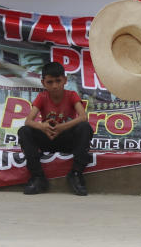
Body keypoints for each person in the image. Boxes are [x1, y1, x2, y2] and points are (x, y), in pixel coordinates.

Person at [17, 62, 94, 195]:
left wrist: (61, 128)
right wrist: (43, 127)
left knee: (85, 128)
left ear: (64, 80)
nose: (55, 86)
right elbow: (28, 121)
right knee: (24, 131)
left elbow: (83, 117)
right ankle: (37, 177)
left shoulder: (71, 95)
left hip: (67, 141)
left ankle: (76, 174)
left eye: (58, 81)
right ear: (43, 83)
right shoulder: (42, 97)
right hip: (48, 139)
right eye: (50, 82)